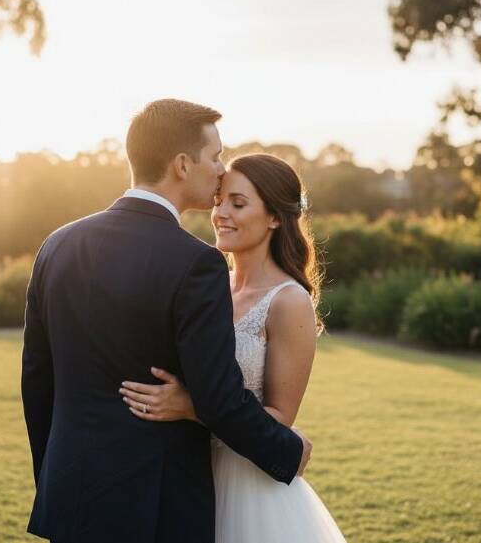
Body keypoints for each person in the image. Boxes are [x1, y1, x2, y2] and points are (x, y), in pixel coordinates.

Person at [21, 99, 312, 543]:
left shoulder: (58, 245)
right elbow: (218, 399)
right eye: (214, 156)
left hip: (71, 497)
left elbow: (37, 383)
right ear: (182, 164)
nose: (220, 170)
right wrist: (287, 451)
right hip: (156, 507)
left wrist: (55, 481)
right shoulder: (196, 263)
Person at [120, 153, 346, 542]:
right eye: (219, 200)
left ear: (274, 217)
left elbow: (280, 419)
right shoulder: (209, 285)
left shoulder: (288, 301)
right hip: (186, 473)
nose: (221, 213)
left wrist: (191, 407)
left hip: (248, 485)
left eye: (238, 204)